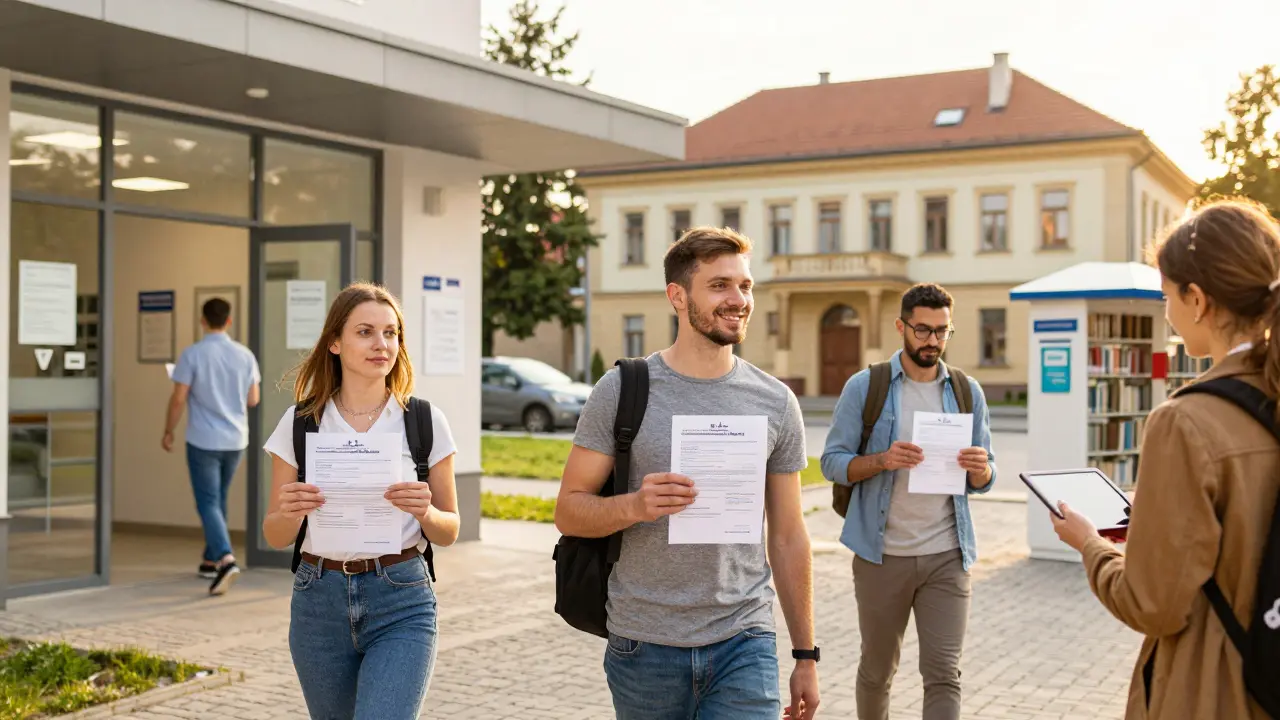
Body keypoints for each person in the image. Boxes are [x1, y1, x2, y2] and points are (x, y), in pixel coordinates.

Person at [556, 226, 820, 720]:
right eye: (720, 285)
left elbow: (788, 536)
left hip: (744, 638)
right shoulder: (622, 389)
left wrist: (806, 654)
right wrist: (634, 505)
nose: (738, 299)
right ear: (678, 296)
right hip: (644, 643)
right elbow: (569, 512)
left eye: (745, 286)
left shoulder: (776, 401)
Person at [1051, 198, 1278, 720]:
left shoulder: (1187, 422)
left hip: (1219, 691)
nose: (1168, 314)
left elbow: (1153, 604)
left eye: (1167, 296)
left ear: (1197, 300)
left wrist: (1090, 544)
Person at [260, 283, 460, 720]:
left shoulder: (424, 421)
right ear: (335, 342)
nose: (381, 344)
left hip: (401, 597)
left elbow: (449, 530)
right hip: (318, 601)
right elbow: (274, 535)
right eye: (366, 332)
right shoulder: (301, 422)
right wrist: (290, 511)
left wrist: (425, 511)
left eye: (391, 334)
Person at [820, 282, 997, 720]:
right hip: (883, 556)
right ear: (901, 326)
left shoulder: (965, 391)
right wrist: (881, 460)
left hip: (947, 555)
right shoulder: (867, 386)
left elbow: (986, 474)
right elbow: (831, 462)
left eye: (941, 331)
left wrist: (981, 469)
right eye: (922, 330)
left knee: (944, 674)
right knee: (878, 671)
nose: (932, 341)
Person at [162, 297, 261, 595]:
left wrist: (168, 430)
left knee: (207, 502)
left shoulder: (192, 354)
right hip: (235, 439)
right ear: (228, 321)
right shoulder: (245, 355)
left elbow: (179, 397)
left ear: (203, 321)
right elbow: (253, 399)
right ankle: (209, 560)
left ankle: (225, 559)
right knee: (217, 499)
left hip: (203, 439)